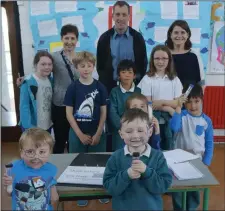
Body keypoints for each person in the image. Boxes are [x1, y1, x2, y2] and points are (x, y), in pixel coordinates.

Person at [16, 24, 80, 153]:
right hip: (59, 104)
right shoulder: (55, 57)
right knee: (60, 140)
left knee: (74, 139)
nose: (69, 42)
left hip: (76, 104)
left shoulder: (80, 58)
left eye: (72, 38)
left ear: (77, 40)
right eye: (66, 38)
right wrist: (25, 79)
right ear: (61, 39)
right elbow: (42, 70)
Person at [103, 108, 172, 210]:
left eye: (140, 130)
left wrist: (147, 172)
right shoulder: (115, 158)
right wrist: (126, 175)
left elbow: (163, 186)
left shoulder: (158, 157)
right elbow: (110, 187)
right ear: (121, 134)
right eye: (129, 131)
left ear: (150, 132)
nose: (135, 135)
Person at [64, 51, 108, 206]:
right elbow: (69, 113)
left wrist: (98, 133)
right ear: (76, 67)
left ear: (93, 67)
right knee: (78, 163)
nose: (86, 69)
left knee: (99, 163)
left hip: (96, 132)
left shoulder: (100, 86)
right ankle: (80, 192)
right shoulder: (73, 87)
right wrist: (79, 134)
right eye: (82, 66)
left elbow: (103, 112)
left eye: (89, 65)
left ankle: (100, 190)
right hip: (77, 133)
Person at [170, 83, 214, 211]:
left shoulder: (207, 121)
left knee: (194, 191)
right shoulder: (182, 116)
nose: (193, 105)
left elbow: (209, 143)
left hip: (197, 160)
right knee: (178, 191)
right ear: (184, 102)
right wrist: (178, 106)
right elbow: (174, 127)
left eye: (196, 101)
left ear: (202, 100)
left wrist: (206, 161)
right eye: (189, 102)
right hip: (178, 161)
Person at [138, 45, 183, 150]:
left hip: (171, 120)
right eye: (157, 58)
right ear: (152, 60)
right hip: (152, 120)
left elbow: (178, 103)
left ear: (169, 60)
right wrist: (167, 107)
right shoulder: (147, 79)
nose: (160, 62)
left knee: (169, 149)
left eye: (164, 58)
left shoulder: (175, 79)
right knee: (154, 149)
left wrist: (161, 103)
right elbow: (149, 105)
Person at [96, 1, 147, 93]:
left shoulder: (138, 38)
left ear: (129, 16)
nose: (121, 18)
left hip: (132, 88)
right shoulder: (104, 39)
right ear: (113, 16)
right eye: (118, 14)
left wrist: (134, 82)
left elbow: (143, 65)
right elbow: (100, 66)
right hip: (109, 89)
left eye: (124, 14)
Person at [2, 128, 58, 210]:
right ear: (21, 153)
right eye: (30, 152)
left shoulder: (51, 169)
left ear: (50, 152)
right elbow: (9, 193)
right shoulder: (13, 168)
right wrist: (6, 186)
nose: (36, 157)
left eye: (42, 152)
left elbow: (54, 198)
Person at [109, 59, 141, 151]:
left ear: (134, 75)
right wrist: (123, 127)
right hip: (119, 132)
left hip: (137, 131)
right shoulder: (114, 92)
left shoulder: (139, 91)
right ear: (119, 75)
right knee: (120, 154)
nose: (127, 75)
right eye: (123, 72)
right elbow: (112, 112)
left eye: (130, 72)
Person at [165, 20, 205, 90]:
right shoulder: (164, 54)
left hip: (189, 97)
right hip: (168, 97)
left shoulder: (194, 54)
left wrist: (200, 96)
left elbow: (201, 80)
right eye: (176, 32)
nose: (179, 36)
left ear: (188, 35)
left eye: (183, 32)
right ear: (170, 34)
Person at [19, 51, 53, 132]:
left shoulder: (51, 80)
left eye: (49, 64)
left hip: (48, 125)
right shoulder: (27, 82)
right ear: (35, 65)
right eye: (43, 64)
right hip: (33, 126)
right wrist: (28, 128)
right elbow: (24, 106)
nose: (47, 67)